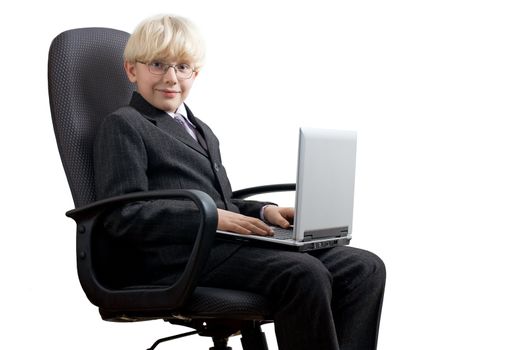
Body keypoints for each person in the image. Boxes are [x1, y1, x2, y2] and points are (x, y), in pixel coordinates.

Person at [94, 14, 386, 350]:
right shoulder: (125, 124)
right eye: (158, 65)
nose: (171, 78)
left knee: (364, 267)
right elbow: (124, 215)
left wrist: (263, 212)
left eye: (183, 67)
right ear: (132, 70)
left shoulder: (201, 129)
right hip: (178, 257)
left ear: (196, 73)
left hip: (222, 246)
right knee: (304, 273)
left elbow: (222, 202)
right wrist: (212, 216)